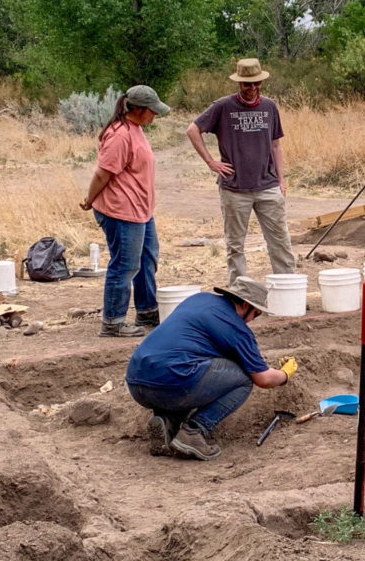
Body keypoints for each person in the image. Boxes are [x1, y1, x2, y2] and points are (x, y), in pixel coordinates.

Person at [125, 276, 297, 461]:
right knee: (242, 379)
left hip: (136, 381)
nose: (254, 320)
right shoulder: (236, 327)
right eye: (256, 314)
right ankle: (195, 431)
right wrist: (285, 373)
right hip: (174, 381)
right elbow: (263, 378)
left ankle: (167, 422)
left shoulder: (197, 299)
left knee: (194, 367)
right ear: (247, 306)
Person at [186, 58, 296, 285]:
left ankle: (288, 288)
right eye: (247, 84)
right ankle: (239, 293)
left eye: (256, 83)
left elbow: (276, 145)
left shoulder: (269, 106)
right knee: (235, 245)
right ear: (239, 84)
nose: (252, 88)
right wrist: (211, 162)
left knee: (280, 241)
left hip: (268, 186)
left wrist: (281, 180)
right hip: (234, 188)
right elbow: (193, 129)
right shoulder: (223, 106)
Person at [81, 85, 170, 337]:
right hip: (121, 211)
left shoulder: (136, 129)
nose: (155, 115)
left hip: (140, 209)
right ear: (140, 110)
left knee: (146, 260)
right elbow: (102, 173)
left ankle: (147, 309)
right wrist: (90, 199)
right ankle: (113, 321)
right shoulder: (120, 135)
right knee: (125, 265)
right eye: (152, 111)